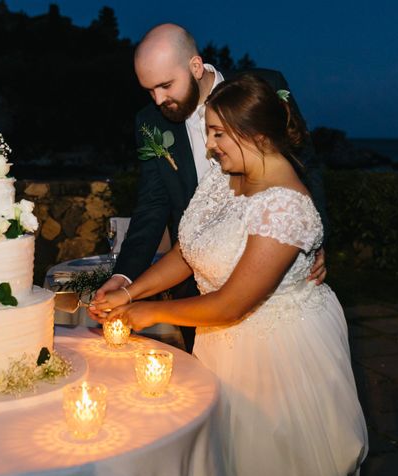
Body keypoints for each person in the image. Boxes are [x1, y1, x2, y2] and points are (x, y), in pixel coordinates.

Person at [91, 73, 368, 476]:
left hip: (278, 358)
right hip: (220, 344)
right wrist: (131, 292)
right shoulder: (225, 178)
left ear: (254, 133)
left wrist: (147, 314)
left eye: (218, 134)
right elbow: (190, 252)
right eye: (208, 133)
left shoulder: (285, 206)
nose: (209, 146)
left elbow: (232, 302)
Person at [92, 24, 326, 353]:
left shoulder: (265, 89)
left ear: (196, 66)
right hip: (196, 286)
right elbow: (153, 207)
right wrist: (126, 282)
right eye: (149, 90)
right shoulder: (154, 125)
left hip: (275, 321)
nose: (158, 100)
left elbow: (306, 167)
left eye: (165, 85)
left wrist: (311, 240)